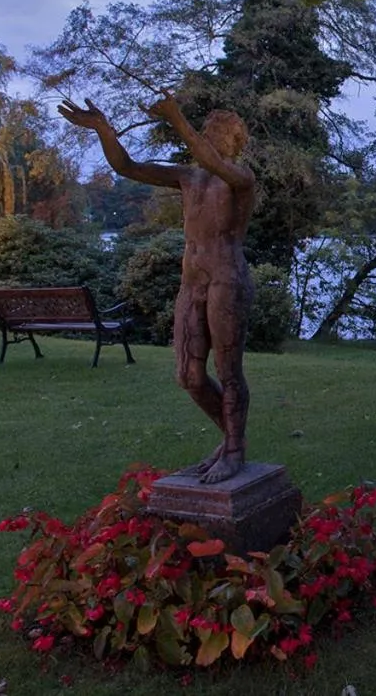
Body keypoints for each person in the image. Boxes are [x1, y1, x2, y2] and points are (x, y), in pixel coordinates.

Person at [59, 95, 256, 484]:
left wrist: (176, 118)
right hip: (192, 281)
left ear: (235, 142)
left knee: (228, 371)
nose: (210, 138)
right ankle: (231, 439)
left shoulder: (241, 178)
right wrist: (103, 129)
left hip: (226, 279)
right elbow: (126, 166)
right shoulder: (188, 177)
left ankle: (233, 450)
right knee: (189, 375)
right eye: (208, 131)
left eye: (219, 133)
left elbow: (212, 162)